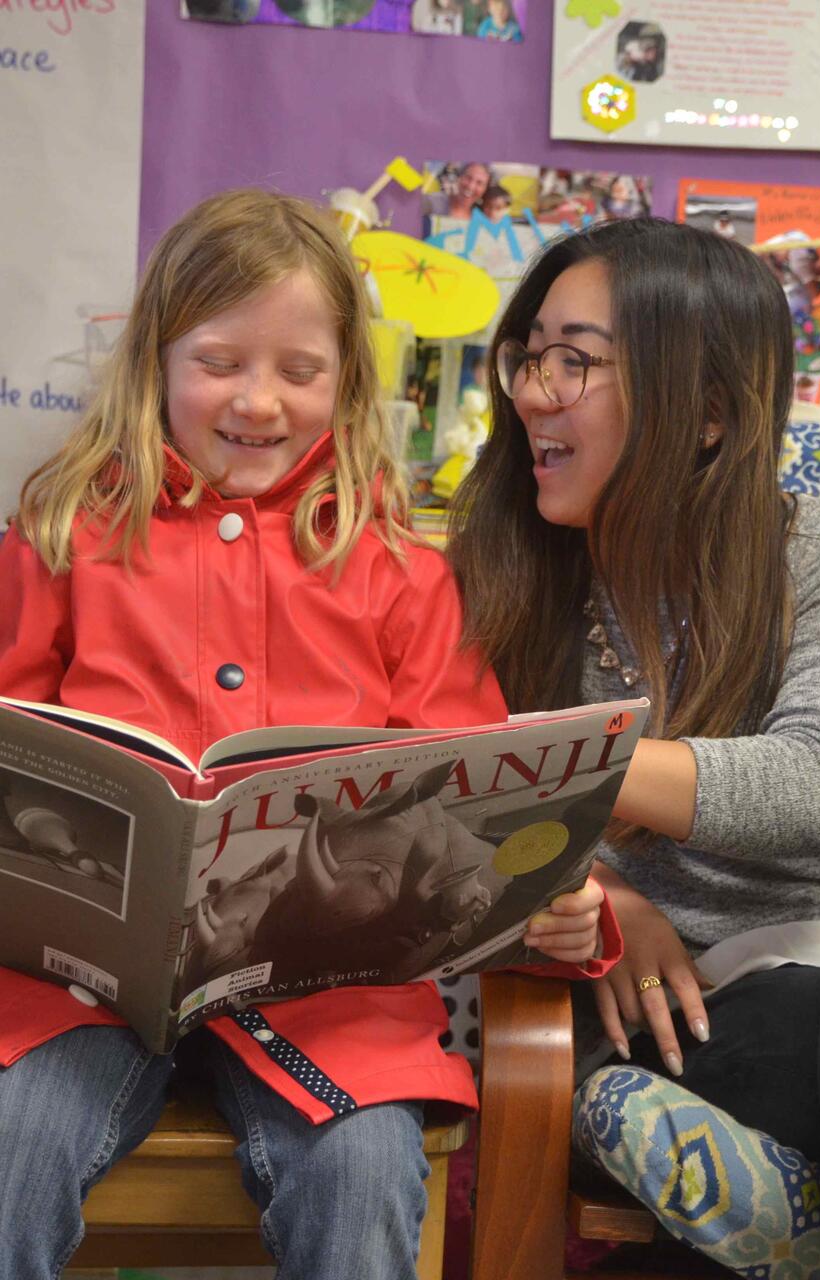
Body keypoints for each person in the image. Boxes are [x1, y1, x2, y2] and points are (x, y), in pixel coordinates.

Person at [0, 188, 617, 1280]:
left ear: (347, 382)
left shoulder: (398, 575)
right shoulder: (62, 533)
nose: (258, 399)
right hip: (72, 990)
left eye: (299, 370)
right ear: (155, 361)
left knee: (364, 1173)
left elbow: (482, 802)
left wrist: (561, 912)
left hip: (329, 1008)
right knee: (10, 1146)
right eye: (220, 361)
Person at [448, 216, 820, 1280]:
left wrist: (562, 774)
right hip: (683, 1019)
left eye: (574, 361)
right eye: (530, 354)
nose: (533, 390)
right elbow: (444, 806)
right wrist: (598, 884)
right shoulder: (498, 567)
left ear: (711, 413)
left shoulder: (819, 547)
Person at [423, 160, 491, 219]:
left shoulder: (482, 218)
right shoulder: (431, 202)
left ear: (485, 189)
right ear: (459, 178)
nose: (471, 186)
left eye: (479, 183)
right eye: (468, 178)